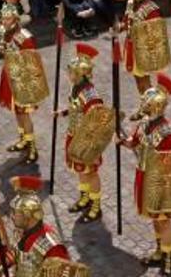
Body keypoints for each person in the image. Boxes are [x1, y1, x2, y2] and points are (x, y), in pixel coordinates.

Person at [116, 73, 171, 276]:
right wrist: (121, 139)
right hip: (143, 175)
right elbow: (134, 143)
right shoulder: (144, 123)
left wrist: (163, 193)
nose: (142, 105)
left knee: (162, 219)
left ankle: (168, 257)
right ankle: (159, 250)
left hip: (160, 183)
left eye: (145, 103)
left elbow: (169, 168)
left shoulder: (168, 134)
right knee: (154, 218)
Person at [0, 0, 42, 163]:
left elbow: (32, 62)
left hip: (22, 81)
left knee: (24, 114)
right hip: (9, 74)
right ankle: (23, 140)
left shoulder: (24, 37)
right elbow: (4, 48)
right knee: (17, 112)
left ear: (15, 19)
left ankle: (32, 147)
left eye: (7, 19)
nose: (4, 21)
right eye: (3, 18)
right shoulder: (5, 33)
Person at [53, 43, 107, 223]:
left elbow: (98, 120)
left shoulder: (91, 95)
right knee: (80, 171)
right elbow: (76, 108)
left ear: (80, 74)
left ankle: (96, 205)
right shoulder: (77, 88)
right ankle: (85, 198)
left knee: (90, 173)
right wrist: (63, 113)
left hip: (86, 141)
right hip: (74, 134)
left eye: (72, 73)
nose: (69, 75)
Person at [8, 176, 85, 276]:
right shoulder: (20, 232)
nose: (12, 216)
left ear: (27, 215)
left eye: (15, 213)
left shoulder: (53, 248)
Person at [117, 0, 167, 93]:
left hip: (143, 51)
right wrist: (119, 27)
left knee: (144, 80)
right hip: (131, 47)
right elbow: (126, 21)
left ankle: (151, 105)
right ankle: (144, 104)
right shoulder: (131, 3)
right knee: (138, 80)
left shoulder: (151, 10)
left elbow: (156, 35)